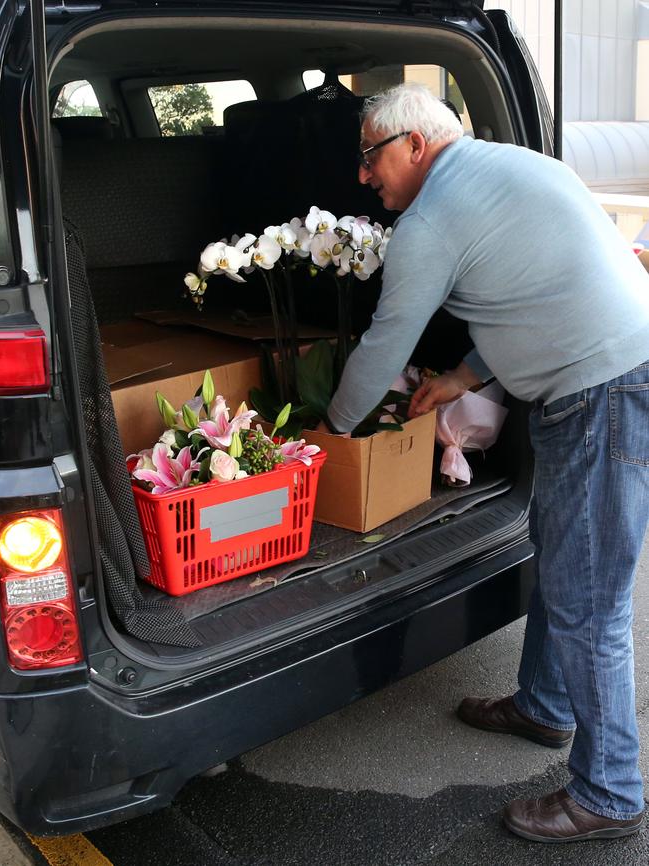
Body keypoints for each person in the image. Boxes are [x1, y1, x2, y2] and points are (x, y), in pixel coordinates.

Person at [320, 82, 649, 843]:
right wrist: (465, 378)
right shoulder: (517, 165)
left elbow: (383, 348)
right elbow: (539, 288)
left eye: (371, 156)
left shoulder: (432, 220)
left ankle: (609, 794)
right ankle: (543, 706)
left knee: (589, 601)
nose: (364, 176)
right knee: (566, 560)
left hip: (601, 392)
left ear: (414, 145)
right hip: (613, 375)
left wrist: (330, 435)